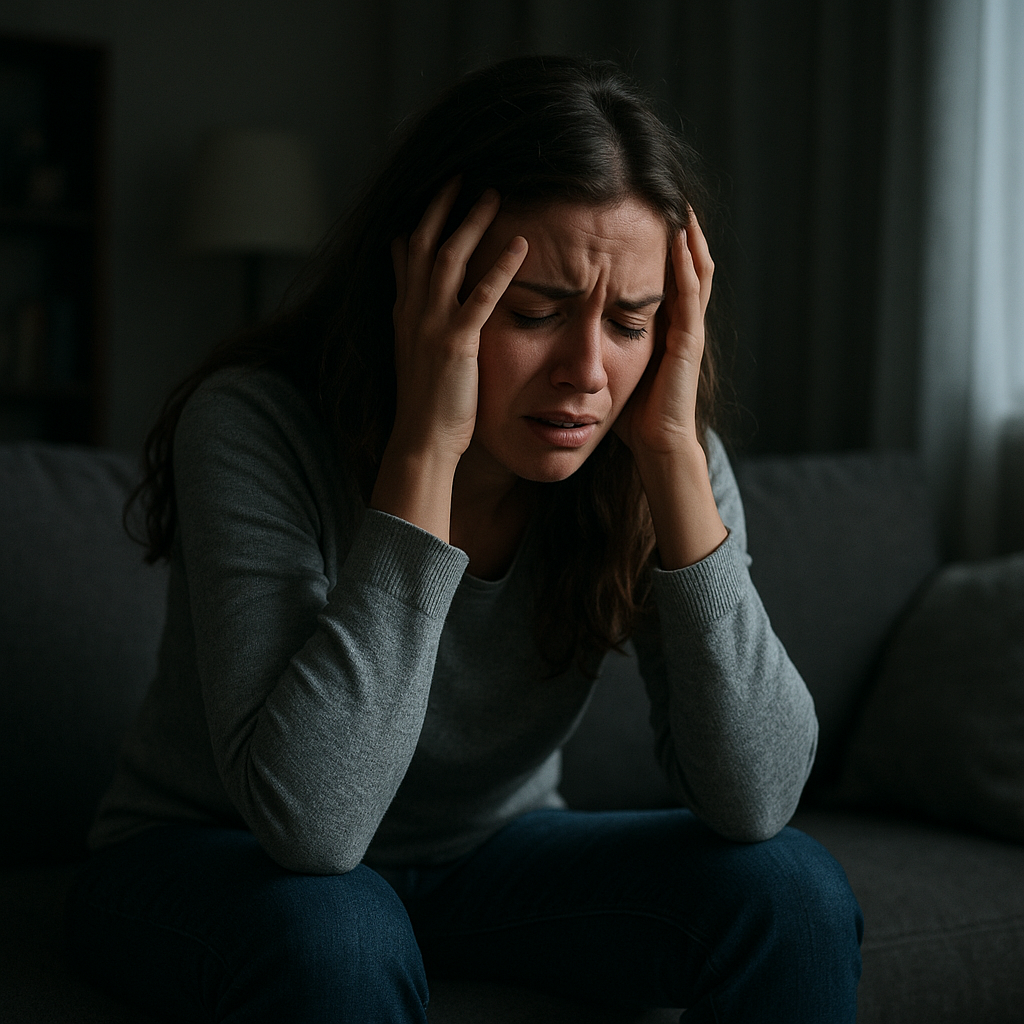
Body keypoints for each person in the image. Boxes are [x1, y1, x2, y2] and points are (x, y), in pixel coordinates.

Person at [66, 54, 863, 1023]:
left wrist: (671, 460)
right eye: (535, 313)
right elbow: (312, 826)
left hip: (488, 857)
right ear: (426, 284)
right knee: (339, 930)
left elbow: (759, 798)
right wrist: (425, 452)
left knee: (795, 895)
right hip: (212, 853)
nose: (586, 372)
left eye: (630, 321)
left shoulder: (652, 446)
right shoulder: (251, 427)